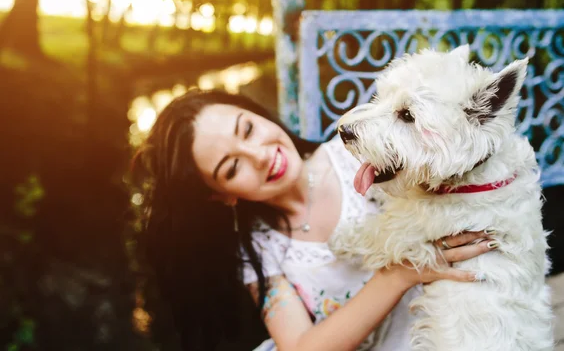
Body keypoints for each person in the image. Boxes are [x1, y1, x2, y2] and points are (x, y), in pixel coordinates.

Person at [132, 89, 497, 351]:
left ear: (257, 112)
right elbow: (302, 347)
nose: (258, 155)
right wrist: (401, 272)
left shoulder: (359, 158)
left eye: (247, 129)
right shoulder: (259, 251)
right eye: (232, 167)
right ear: (221, 195)